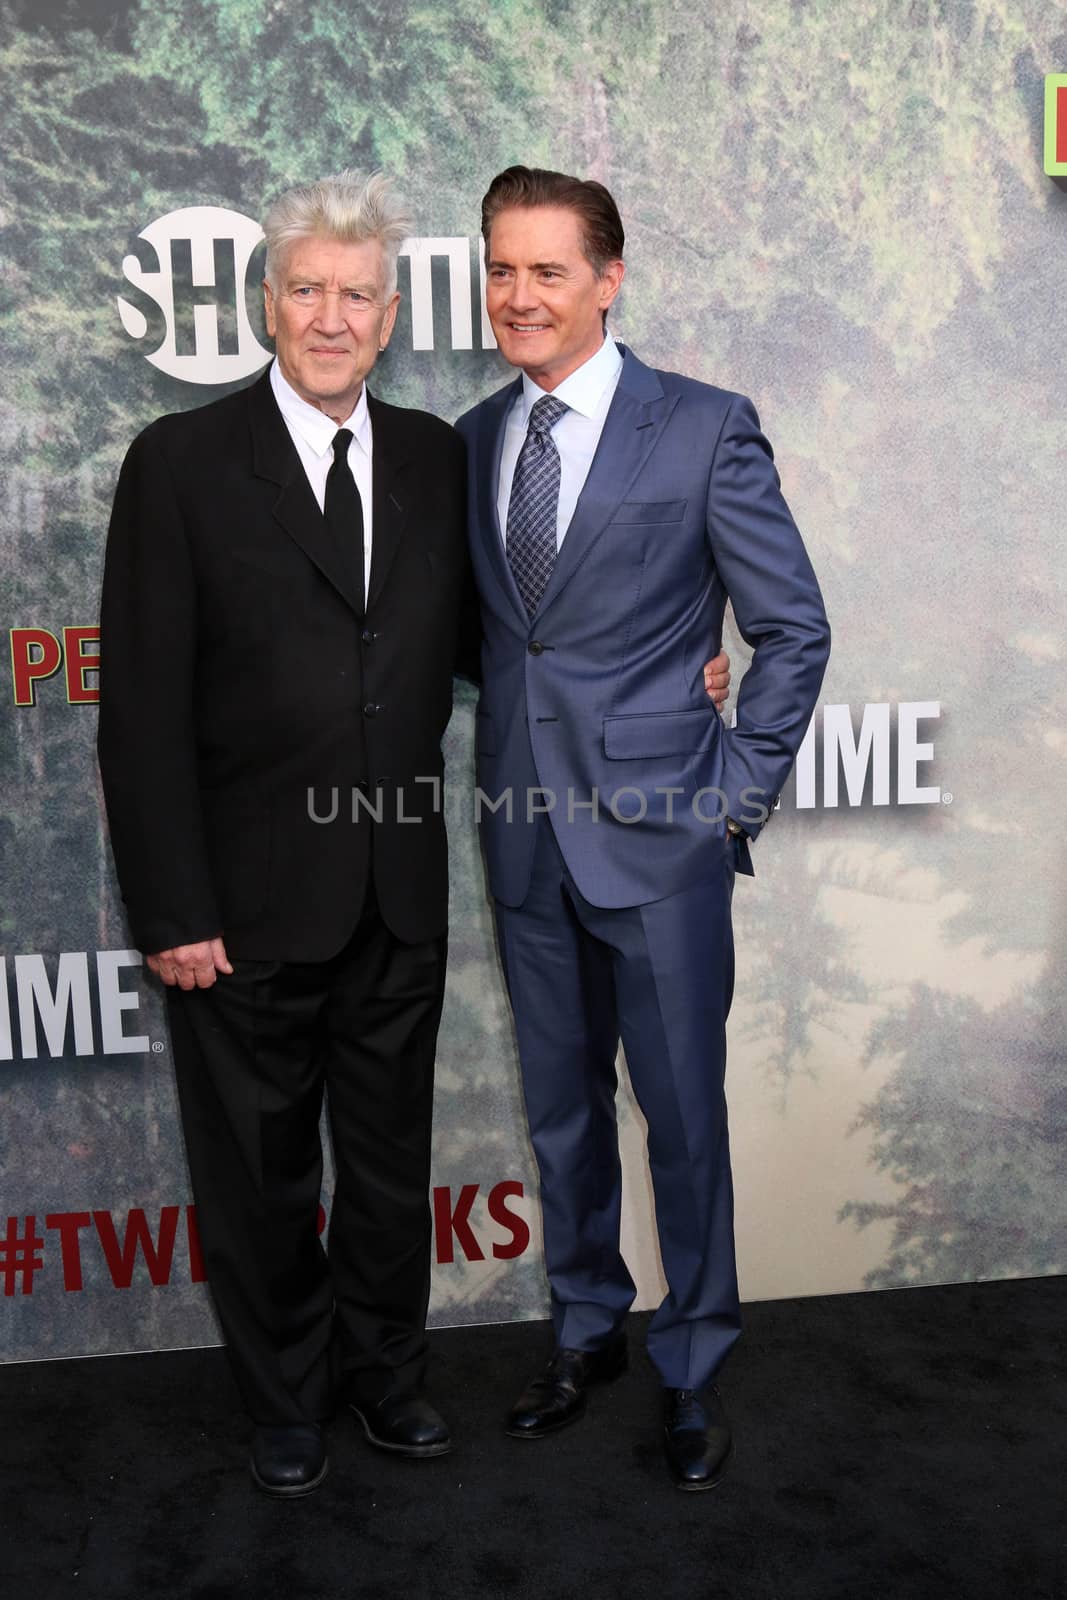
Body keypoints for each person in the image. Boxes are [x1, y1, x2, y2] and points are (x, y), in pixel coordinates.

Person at [97, 171, 472, 1496]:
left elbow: (504, 643)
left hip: (397, 890)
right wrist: (170, 908)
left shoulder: (436, 457)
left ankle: (388, 1381)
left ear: (389, 315)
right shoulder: (182, 465)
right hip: (239, 908)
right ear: (268, 304)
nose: (330, 316)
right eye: (306, 290)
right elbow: (138, 711)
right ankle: (285, 1400)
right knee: (260, 1179)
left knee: (386, 1168)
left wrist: (678, 670)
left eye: (355, 295)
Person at [456, 166, 830, 1490]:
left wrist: (732, 795)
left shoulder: (706, 427)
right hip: (522, 834)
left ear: (609, 280)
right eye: (502, 268)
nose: (520, 295)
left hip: (664, 841)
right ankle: (583, 1328)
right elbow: (495, 643)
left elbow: (790, 627)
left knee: (679, 1119)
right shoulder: (472, 438)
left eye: (548, 270)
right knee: (559, 1112)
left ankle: (693, 1360)